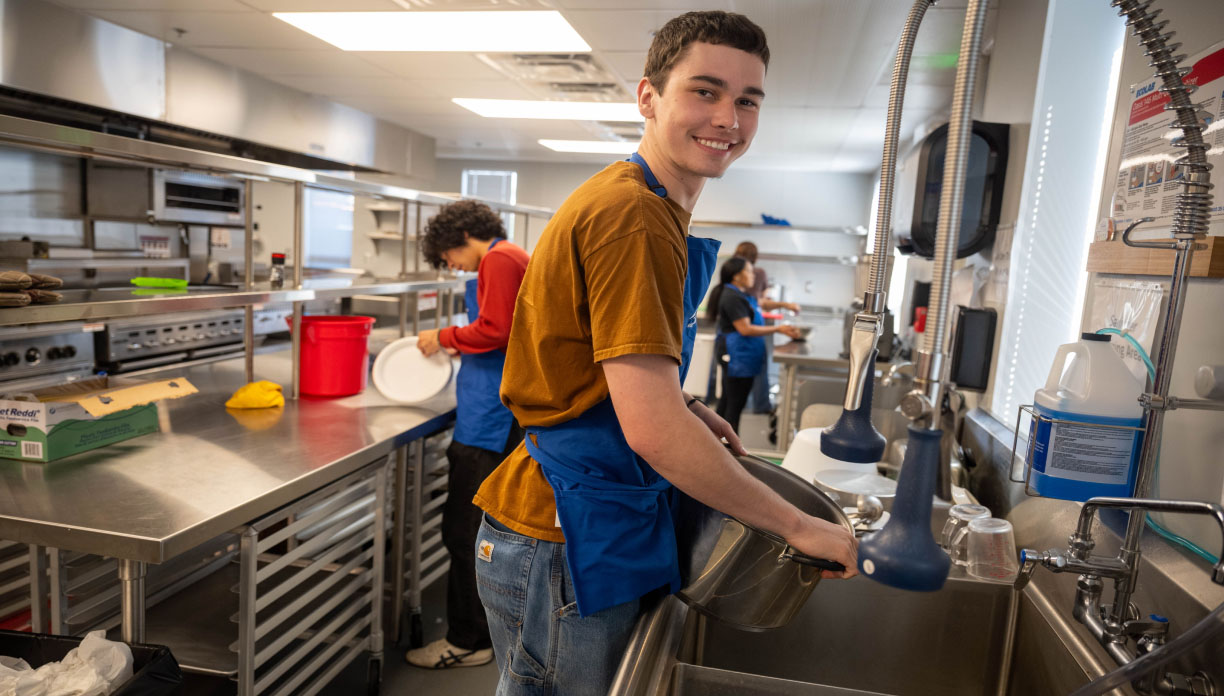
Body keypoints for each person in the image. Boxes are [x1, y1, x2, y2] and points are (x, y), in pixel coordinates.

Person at [471, 11, 857, 696]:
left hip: (578, 519)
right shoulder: (635, 217)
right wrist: (798, 527)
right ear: (648, 98)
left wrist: (679, 401)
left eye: (747, 99)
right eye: (704, 91)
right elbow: (648, 431)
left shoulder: (646, 203)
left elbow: (596, 366)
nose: (728, 117)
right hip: (567, 531)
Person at [408, 200, 529, 670]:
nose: (452, 266)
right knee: (477, 531)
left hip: (489, 419)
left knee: (464, 532)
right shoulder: (512, 255)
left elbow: (495, 330)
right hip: (492, 408)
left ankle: (468, 640)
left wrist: (443, 337)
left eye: (448, 257)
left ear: (459, 238)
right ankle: (486, 632)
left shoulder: (498, 258)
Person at [707, 256, 801, 434]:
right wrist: (778, 329)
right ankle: (729, 448)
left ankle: (717, 441)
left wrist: (786, 305)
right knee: (734, 405)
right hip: (737, 357)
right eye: (749, 271)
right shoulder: (732, 297)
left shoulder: (740, 294)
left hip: (743, 356)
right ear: (736, 275)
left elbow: (763, 304)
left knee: (728, 401)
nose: (753, 275)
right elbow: (745, 329)